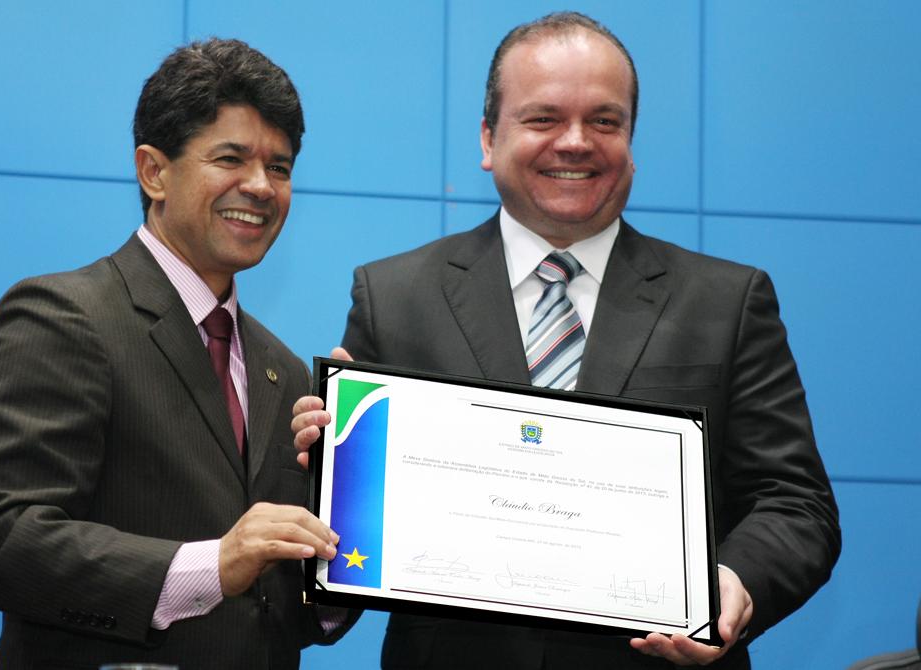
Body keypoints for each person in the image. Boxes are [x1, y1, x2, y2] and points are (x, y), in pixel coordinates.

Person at [292, 11, 840, 669]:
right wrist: (329, 471)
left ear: (631, 141)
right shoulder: (395, 296)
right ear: (489, 138)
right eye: (543, 118)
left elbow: (796, 504)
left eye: (604, 121)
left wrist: (733, 585)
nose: (576, 142)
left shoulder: (728, 302)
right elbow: (352, 537)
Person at [0, 38, 353, 669]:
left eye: (280, 167)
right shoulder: (63, 317)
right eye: (231, 158)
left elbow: (276, 611)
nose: (260, 186)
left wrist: (352, 510)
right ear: (153, 171)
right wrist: (210, 565)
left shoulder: (284, 368)